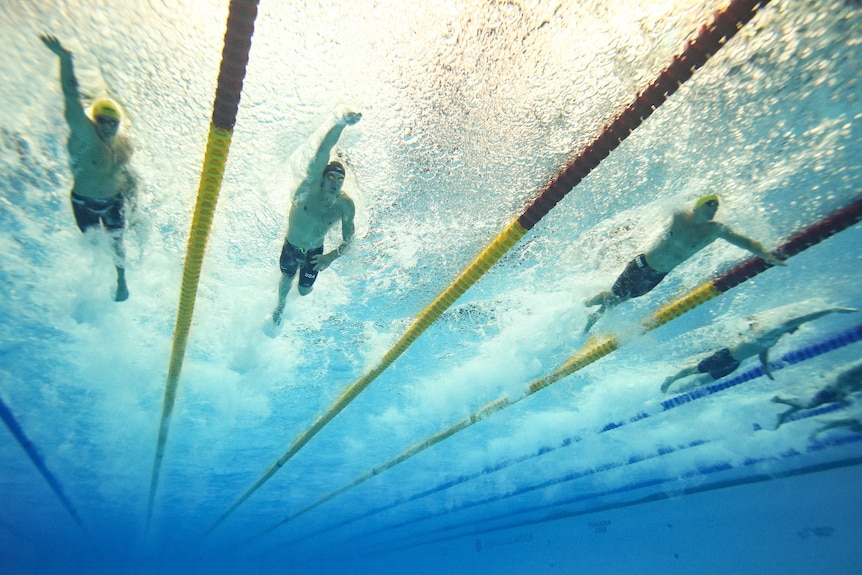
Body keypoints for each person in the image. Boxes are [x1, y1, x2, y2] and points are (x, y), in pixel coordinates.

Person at [583, 194, 785, 332]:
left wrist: (765, 254)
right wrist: (626, 229)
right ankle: (586, 304)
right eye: (710, 203)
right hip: (641, 264)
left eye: (716, 206)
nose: (714, 208)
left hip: (657, 276)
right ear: (698, 205)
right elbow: (654, 207)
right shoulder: (680, 216)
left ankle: (593, 319)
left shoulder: (714, 230)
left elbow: (745, 242)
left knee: (619, 300)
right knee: (614, 295)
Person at [40, 34, 137, 302]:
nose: (107, 126)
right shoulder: (83, 134)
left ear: (118, 124)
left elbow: (128, 175)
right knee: (94, 246)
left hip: (114, 200)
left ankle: (121, 283)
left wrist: (134, 203)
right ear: (94, 120)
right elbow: (70, 95)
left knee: (118, 242)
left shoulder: (124, 145)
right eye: (102, 121)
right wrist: (65, 58)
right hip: (83, 201)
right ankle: (95, 285)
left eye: (112, 122)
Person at [271, 110, 361, 326]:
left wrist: (329, 258)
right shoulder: (310, 188)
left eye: (340, 179)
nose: (335, 182)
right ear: (322, 177)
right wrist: (341, 123)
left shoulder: (345, 205)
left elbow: (350, 241)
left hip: (315, 254)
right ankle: (280, 306)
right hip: (291, 247)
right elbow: (324, 149)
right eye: (331, 176)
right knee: (286, 279)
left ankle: (301, 289)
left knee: (303, 292)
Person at [661, 306, 856, 393]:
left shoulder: (775, 338)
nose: (796, 329)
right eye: (795, 326)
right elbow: (802, 319)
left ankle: (683, 389)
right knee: (695, 369)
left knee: (708, 379)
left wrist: (767, 369)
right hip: (726, 355)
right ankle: (673, 379)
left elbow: (763, 353)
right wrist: (831, 310)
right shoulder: (775, 329)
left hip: (735, 362)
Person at [773, 361, 862, 431]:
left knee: (808, 403)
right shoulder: (859, 368)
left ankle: (784, 414)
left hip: (839, 391)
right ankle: (779, 400)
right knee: (809, 404)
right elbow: (842, 377)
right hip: (833, 389)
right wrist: (840, 394)